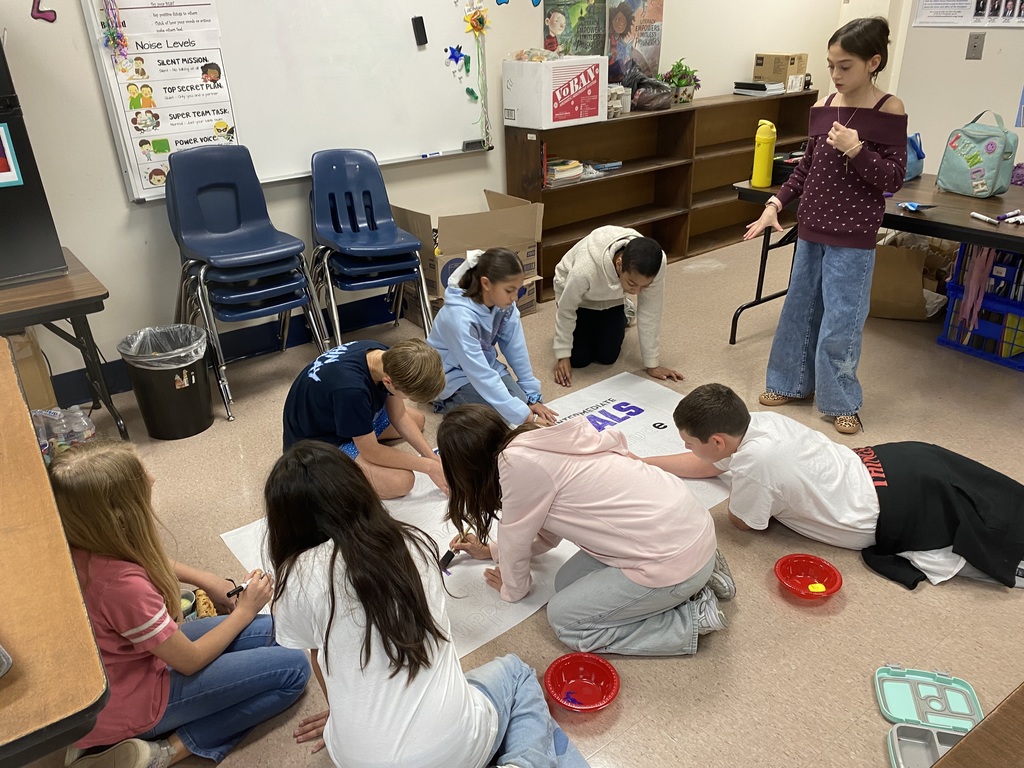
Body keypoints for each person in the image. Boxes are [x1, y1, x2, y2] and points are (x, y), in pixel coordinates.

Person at [266, 441, 590, 768]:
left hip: (354, 758)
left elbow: (317, 654)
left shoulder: (293, 579)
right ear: (357, 489)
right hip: (458, 748)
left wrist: (342, 716)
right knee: (517, 673)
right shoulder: (410, 543)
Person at [50, 441, 310, 768]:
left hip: (124, 670)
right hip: (134, 700)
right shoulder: (122, 588)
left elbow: (143, 558)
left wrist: (207, 580)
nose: (153, 478)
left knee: (272, 630)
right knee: (294, 670)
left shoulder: (78, 541)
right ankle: (168, 750)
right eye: (143, 479)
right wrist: (244, 610)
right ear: (121, 512)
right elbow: (190, 661)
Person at [645, 383, 1024, 590]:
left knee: (993, 539)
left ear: (717, 441)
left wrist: (745, 491)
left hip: (889, 509)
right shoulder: (757, 424)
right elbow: (708, 463)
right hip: (898, 461)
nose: (685, 448)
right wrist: (642, 462)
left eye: (689, 442)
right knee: (996, 497)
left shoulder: (757, 464)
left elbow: (744, 523)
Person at [438, 404, 733, 656]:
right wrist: (491, 551)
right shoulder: (533, 443)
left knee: (566, 620)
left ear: (466, 467)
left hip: (672, 557)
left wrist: (513, 589)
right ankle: (703, 576)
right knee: (565, 581)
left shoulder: (515, 465)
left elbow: (516, 540)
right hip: (690, 529)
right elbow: (544, 534)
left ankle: (690, 620)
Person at [743, 17, 907, 435]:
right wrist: (774, 204)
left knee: (842, 320)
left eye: (845, 66)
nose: (835, 74)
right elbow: (806, 170)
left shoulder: (889, 108)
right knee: (799, 308)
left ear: (873, 62)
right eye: (831, 64)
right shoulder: (824, 105)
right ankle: (790, 383)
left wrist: (856, 150)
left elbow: (892, 179)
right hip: (811, 227)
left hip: (853, 236)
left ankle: (841, 402)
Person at [282, 337, 446, 499]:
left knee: (417, 420)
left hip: (339, 415)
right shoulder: (352, 391)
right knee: (402, 482)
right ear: (388, 382)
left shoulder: (387, 356)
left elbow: (399, 415)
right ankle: (327, 477)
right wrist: (428, 467)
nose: (407, 399)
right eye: (408, 396)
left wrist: (431, 457)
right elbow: (371, 452)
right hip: (317, 444)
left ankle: (361, 435)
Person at [428, 247, 558, 426]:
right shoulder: (458, 318)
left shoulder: (505, 305)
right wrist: (527, 417)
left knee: (520, 402)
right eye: (509, 290)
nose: (515, 298)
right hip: (449, 374)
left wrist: (531, 395)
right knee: (499, 419)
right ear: (486, 284)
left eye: (517, 290)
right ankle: (442, 401)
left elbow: (515, 347)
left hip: (484, 363)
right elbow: (480, 374)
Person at [553, 227, 682, 387]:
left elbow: (651, 311)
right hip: (580, 298)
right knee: (579, 360)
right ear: (619, 264)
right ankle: (615, 313)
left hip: (614, 298)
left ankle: (624, 310)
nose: (637, 293)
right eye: (632, 284)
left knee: (607, 357)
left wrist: (652, 363)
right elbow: (567, 309)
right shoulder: (584, 270)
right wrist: (562, 355)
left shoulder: (656, 263)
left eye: (644, 287)